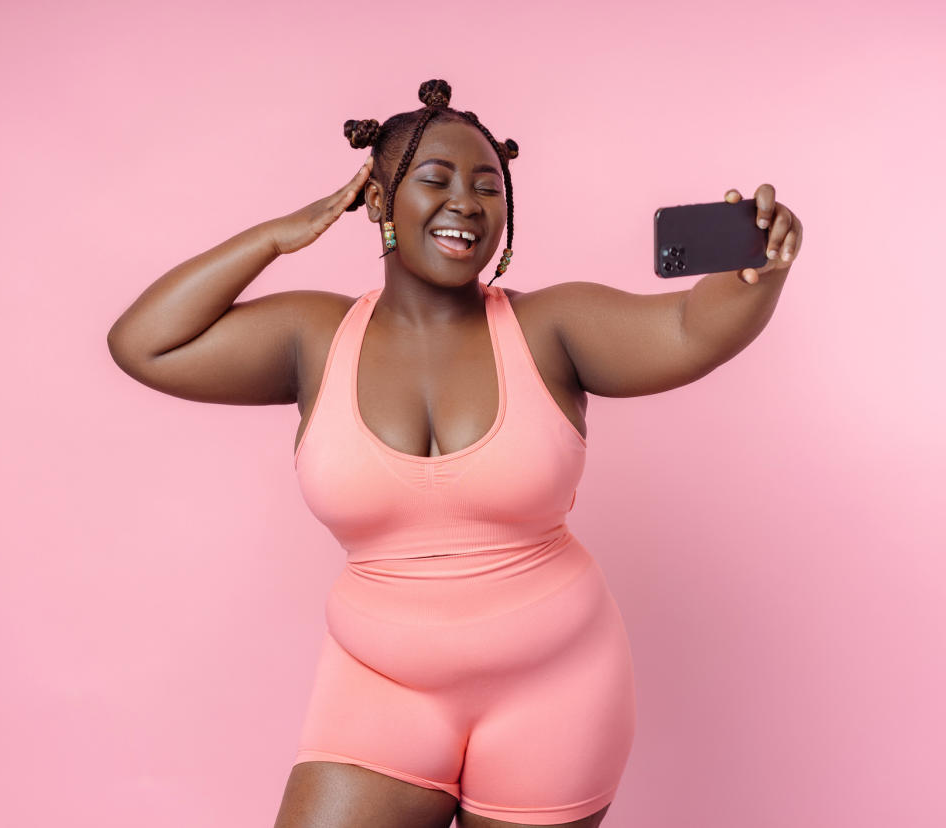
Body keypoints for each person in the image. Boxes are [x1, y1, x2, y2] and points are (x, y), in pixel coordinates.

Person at [106, 78, 802, 828]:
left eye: (488, 187)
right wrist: (281, 235)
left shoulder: (550, 327)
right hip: (378, 689)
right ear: (377, 202)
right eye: (434, 180)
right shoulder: (313, 336)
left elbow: (691, 330)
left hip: (557, 692)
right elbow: (145, 342)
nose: (467, 203)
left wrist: (758, 270)